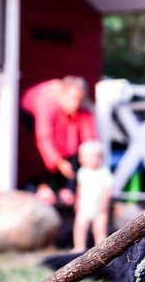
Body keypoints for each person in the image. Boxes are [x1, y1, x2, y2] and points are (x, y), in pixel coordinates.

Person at [21, 76, 98, 206]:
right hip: (29, 110)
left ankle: (67, 189)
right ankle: (44, 186)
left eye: (78, 99)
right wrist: (59, 162)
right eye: (72, 99)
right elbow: (44, 137)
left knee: (70, 143)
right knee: (46, 148)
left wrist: (91, 158)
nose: (75, 104)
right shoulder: (46, 101)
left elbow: (88, 140)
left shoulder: (83, 107)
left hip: (60, 113)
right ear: (62, 95)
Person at [73, 140, 113, 252]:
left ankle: (101, 249)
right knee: (80, 227)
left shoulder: (103, 172)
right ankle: (79, 247)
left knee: (99, 229)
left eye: (95, 157)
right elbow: (79, 188)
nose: (93, 160)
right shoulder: (82, 172)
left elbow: (108, 188)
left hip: (99, 207)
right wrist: (77, 201)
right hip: (84, 205)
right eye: (88, 157)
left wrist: (105, 202)